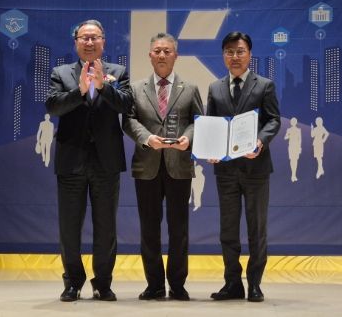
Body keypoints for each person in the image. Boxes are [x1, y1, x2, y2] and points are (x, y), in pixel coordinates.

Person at [45, 19, 133, 303]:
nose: (90, 42)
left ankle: (103, 283)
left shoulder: (118, 72)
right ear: (76, 43)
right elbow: (53, 106)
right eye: (84, 37)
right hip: (71, 161)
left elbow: (126, 105)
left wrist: (103, 87)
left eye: (95, 37)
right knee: (69, 228)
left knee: (106, 227)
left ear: (103, 42)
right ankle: (72, 282)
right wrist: (80, 90)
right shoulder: (61, 73)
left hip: (106, 162)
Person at [123, 32, 203, 302]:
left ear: (175, 56)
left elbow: (197, 121)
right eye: (157, 51)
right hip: (146, 166)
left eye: (167, 51)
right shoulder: (135, 89)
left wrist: (188, 138)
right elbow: (128, 121)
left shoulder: (189, 88)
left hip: (179, 166)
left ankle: (178, 285)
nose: (161, 55)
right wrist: (147, 139)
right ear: (149, 55)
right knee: (149, 229)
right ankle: (155, 285)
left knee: (179, 229)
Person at [206, 31, 280, 303]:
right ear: (223, 56)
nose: (234, 57)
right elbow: (212, 124)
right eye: (229, 52)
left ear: (249, 54)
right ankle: (232, 283)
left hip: (255, 168)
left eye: (240, 51)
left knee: (256, 229)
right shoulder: (215, 88)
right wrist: (211, 149)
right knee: (227, 230)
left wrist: (260, 141)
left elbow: (273, 120)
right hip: (225, 171)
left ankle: (255, 284)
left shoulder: (264, 85)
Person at [284, 117, 302, 182]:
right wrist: (289, 136)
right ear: (291, 122)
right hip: (291, 146)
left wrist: (300, 148)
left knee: (295, 160)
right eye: (292, 122)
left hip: (296, 147)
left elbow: (299, 140)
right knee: (292, 160)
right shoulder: (289, 130)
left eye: (294, 122)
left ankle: (294, 174)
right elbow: (285, 138)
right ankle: (293, 174)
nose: (293, 123)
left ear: (296, 122)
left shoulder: (298, 130)